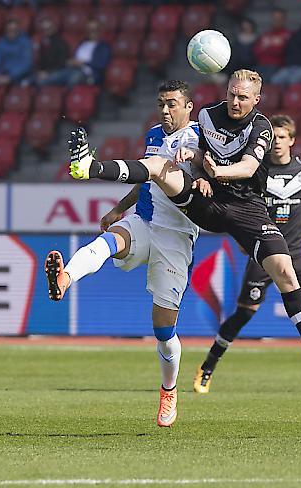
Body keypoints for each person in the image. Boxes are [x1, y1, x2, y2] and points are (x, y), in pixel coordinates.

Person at [67, 69, 301, 381]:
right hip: (205, 204)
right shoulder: (208, 116)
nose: (236, 101)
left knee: (284, 270)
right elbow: (201, 156)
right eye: (232, 94)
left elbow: (249, 167)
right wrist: (196, 158)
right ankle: (91, 166)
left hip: (247, 208)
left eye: (243, 97)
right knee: (159, 166)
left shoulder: (261, 126)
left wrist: (216, 171)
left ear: (256, 100)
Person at [46, 80, 207, 428]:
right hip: (144, 220)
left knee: (163, 330)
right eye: (162, 103)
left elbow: (207, 176)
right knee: (107, 242)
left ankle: (169, 389)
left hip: (177, 238)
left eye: (173, 104)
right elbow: (146, 176)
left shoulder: (199, 138)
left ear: (189, 107)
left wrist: (202, 169)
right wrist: (119, 209)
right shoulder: (153, 135)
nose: (165, 110)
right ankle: (65, 278)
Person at [194, 114, 301, 395]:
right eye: (274, 138)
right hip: (262, 252)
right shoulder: (255, 171)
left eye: (283, 138)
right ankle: (208, 366)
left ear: (292, 140)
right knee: (245, 313)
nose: (277, 144)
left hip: (296, 253)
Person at [40, 19, 110, 87]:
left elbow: (101, 64)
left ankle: (67, 96)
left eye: (94, 30)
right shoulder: (83, 44)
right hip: (72, 69)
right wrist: (71, 62)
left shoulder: (103, 47)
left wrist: (83, 63)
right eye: (89, 30)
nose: (91, 32)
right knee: (45, 80)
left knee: (74, 78)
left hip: (89, 74)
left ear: (99, 31)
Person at [0, 18, 33, 86]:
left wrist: (10, 77)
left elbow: (26, 63)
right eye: (10, 30)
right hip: (4, 74)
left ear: (18, 30)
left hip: (20, 74)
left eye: (14, 30)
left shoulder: (25, 42)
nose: (12, 32)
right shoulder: (1, 42)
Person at [252, 8, 291, 82]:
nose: (276, 21)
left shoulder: (288, 35)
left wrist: (268, 47)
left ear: (284, 20)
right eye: (275, 19)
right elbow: (257, 52)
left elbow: (282, 52)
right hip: (261, 66)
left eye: (279, 19)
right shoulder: (266, 35)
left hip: (277, 67)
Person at [30, 17, 69, 86]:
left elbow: (61, 63)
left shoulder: (61, 43)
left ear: (54, 28)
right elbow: (40, 61)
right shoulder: (43, 43)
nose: (46, 31)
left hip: (57, 72)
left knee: (40, 82)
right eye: (44, 30)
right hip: (44, 73)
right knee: (28, 80)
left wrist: (47, 73)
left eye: (48, 29)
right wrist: (39, 72)